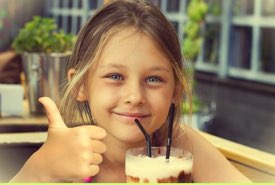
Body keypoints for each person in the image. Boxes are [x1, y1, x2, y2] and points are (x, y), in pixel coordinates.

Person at [10, 0, 251, 183]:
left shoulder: (178, 145)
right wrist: (40, 169)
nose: (135, 97)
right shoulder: (66, 157)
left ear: (176, 91)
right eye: (115, 76)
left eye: (153, 79)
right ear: (81, 86)